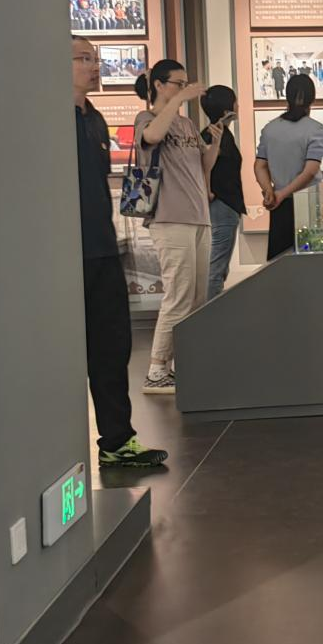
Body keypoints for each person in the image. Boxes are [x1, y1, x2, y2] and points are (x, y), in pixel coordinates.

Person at [72, 38, 169, 466]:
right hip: (65, 255)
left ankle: (117, 441)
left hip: (102, 248)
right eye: (84, 58)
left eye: (95, 59)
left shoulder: (94, 119)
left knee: (112, 347)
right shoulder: (46, 118)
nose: (94, 66)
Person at [134, 59, 223, 394]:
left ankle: (182, 364)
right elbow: (153, 136)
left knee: (197, 296)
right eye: (178, 83)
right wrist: (178, 100)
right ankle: (157, 369)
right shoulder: (147, 118)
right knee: (179, 295)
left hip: (198, 214)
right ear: (159, 85)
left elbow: (203, 165)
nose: (185, 89)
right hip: (169, 218)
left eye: (186, 84)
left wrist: (215, 144)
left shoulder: (186, 124)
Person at [254, 74, 323, 260]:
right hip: (309, 202)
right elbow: (310, 172)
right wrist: (282, 194)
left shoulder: (270, 128)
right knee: (311, 257)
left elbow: (260, 165)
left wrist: (270, 192)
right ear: (312, 98)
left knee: (280, 259)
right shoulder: (316, 129)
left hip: (279, 203)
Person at [200, 85, 244, 300]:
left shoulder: (218, 133)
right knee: (216, 269)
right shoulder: (215, 134)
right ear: (227, 108)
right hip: (222, 204)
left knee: (218, 267)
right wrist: (208, 191)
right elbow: (205, 166)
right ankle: (208, 315)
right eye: (235, 101)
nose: (238, 105)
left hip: (224, 204)